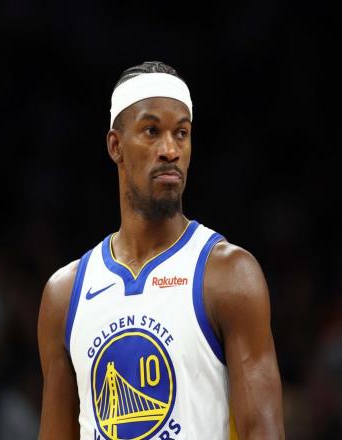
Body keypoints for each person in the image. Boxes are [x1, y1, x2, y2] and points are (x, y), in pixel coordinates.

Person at [38, 61, 285, 440]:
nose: (170, 150)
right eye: (152, 131)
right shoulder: (65, 294)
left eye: (181, 133)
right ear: (116, 146)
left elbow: (264, 432)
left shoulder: (229, 275)